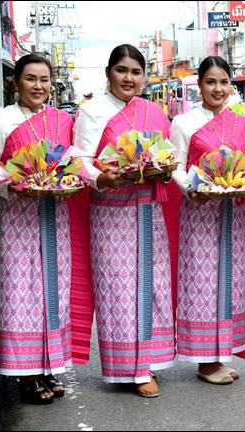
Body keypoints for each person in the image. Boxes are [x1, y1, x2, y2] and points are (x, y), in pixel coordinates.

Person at [0, 54, 86, 405]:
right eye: (30, 79)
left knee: (54, 293)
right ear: (15, 83)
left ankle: (50, 365)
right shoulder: (0, 121)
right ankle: (25, 372)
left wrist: (71, 178)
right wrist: (12, 185)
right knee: (22, 294)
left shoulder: (62, 120)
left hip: (56, 218)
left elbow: (73, 162)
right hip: (20, 220)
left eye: (44, 79)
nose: (38, 86)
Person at [72, 44, 177, 397]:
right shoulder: (92, 112)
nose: (128, 78)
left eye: (135, 72)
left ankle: (149, 361)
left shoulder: (154, 111)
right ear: (108, 73)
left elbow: (165, 155)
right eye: (121, 70)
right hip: (111, 211)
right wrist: (103, 179)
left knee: (152, 286)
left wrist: (162, 170)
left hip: (148, 209)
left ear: (144, 76)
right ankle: (129, 369)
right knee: (118, 290)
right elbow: (81, 160)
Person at [168, 56, 245, 385]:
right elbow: (175, 167)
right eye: (211, 82)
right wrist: (193, 190)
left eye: (224, 82)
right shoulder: (184, 123)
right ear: (200, 85)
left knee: (229, 281)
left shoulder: (242, 124)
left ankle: (221, 352)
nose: (218, 89)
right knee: (201, 282)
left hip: (232, 213)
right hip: (199, 212)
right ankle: (205, 361)